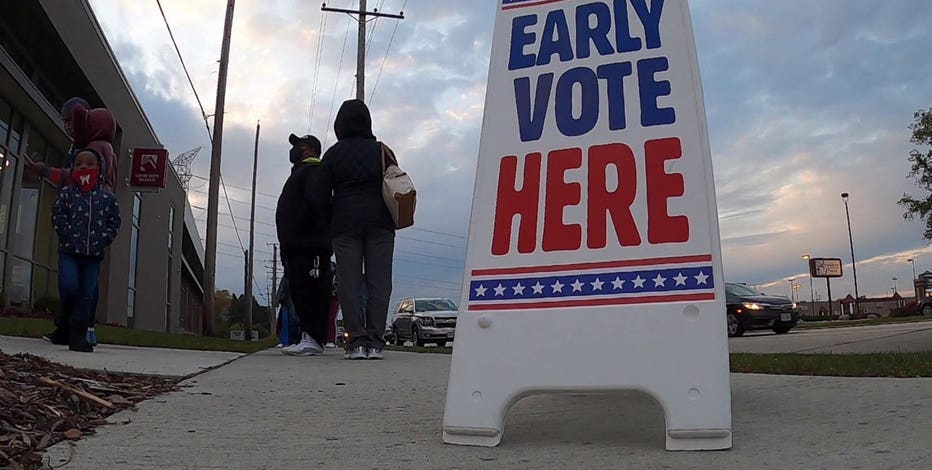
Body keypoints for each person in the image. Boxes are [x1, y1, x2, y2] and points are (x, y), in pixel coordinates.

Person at [317, 99, 396, 360]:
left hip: (344, 223)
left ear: (340, 124)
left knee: (349, 283)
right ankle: (376, 343)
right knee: (379, 283)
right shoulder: (382, 150)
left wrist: (328, 223)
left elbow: (320, 195)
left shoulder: (332, 154)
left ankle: (356, 343)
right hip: (381, 222)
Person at [51, 147, 121, 352]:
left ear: (99, 169)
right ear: (73, 167)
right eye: (79, 163)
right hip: (69, 252)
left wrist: (104, 239)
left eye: (89, 164)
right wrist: (66, 235)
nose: (84, 167)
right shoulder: (65, 194)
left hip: (93, 255)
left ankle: (78, 335)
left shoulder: (107, 198)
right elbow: (58, 216)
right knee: (69, 286)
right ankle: (64, 320)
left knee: (87, 294)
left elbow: (115, 220)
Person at [275, 134, 333, 356]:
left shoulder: (315, 171)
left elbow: (316, 205)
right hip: (295, 244)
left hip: (310, 243)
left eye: (299, 146)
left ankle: (315, 338)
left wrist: (309, 235)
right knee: (299, 291)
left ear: (310, 150)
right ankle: (306, 337)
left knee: (313, 291)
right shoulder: (299, 173)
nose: (295, 150)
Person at [325, 260, 339, 348]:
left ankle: (331, 340)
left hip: (334, 298)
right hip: (325, 298)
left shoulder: (337, 276)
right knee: (325, 319)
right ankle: (325, 339)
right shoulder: (324, 275)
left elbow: (338, 287)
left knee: (331, 318)